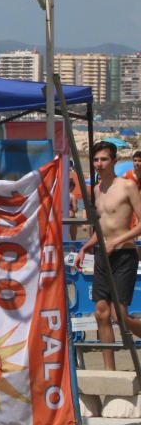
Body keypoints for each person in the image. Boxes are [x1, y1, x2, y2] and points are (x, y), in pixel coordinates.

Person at [74, 141, 141, 370]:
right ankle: (110, 370)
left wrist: (117, 241)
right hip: (103, 255)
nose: (99, 164)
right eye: (95, 160)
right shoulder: (95, 190)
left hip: (125, 254)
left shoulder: (127, 186)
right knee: (101, 313)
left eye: (103, 159)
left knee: (118, 317)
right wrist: (84, 247)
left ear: (113, 161)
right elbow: (101, 228)